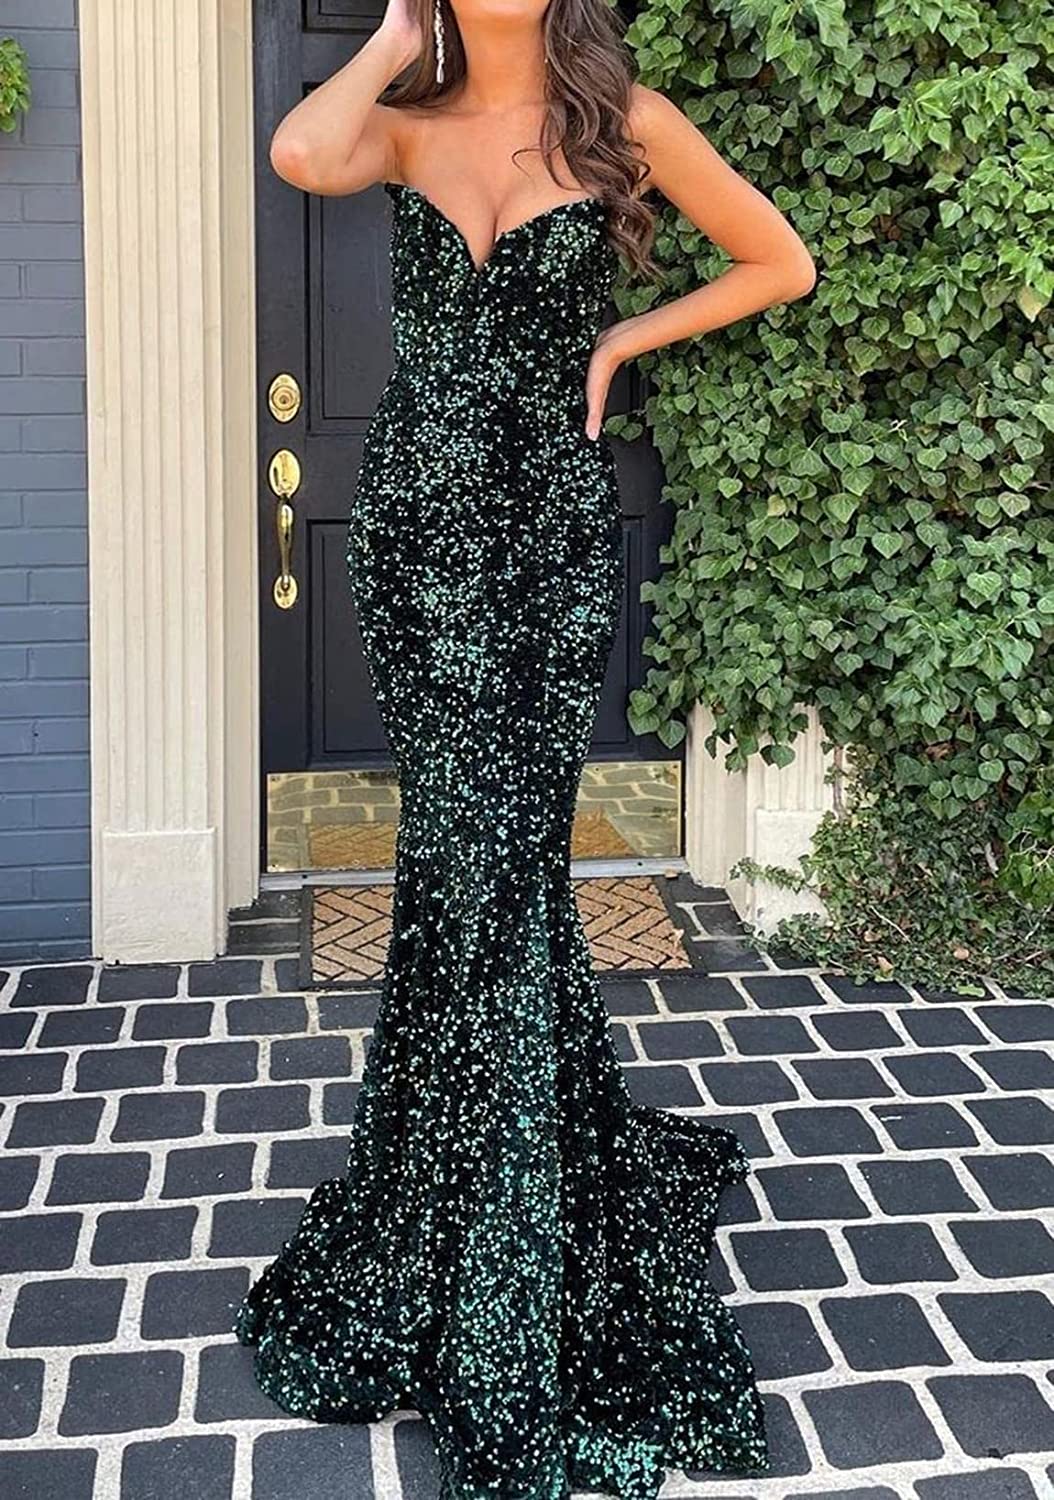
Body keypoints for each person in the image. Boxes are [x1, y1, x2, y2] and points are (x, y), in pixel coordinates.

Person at [232, 0, 815, 1495]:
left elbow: (779, 260)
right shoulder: (396, 126)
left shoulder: (627, 123)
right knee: (459, 860)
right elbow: (299, 151)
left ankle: (497, 1217)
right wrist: (389, 36)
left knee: (502, 865)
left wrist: (624, 334)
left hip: (548, 532)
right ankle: (473, 1195)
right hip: (419, 534)